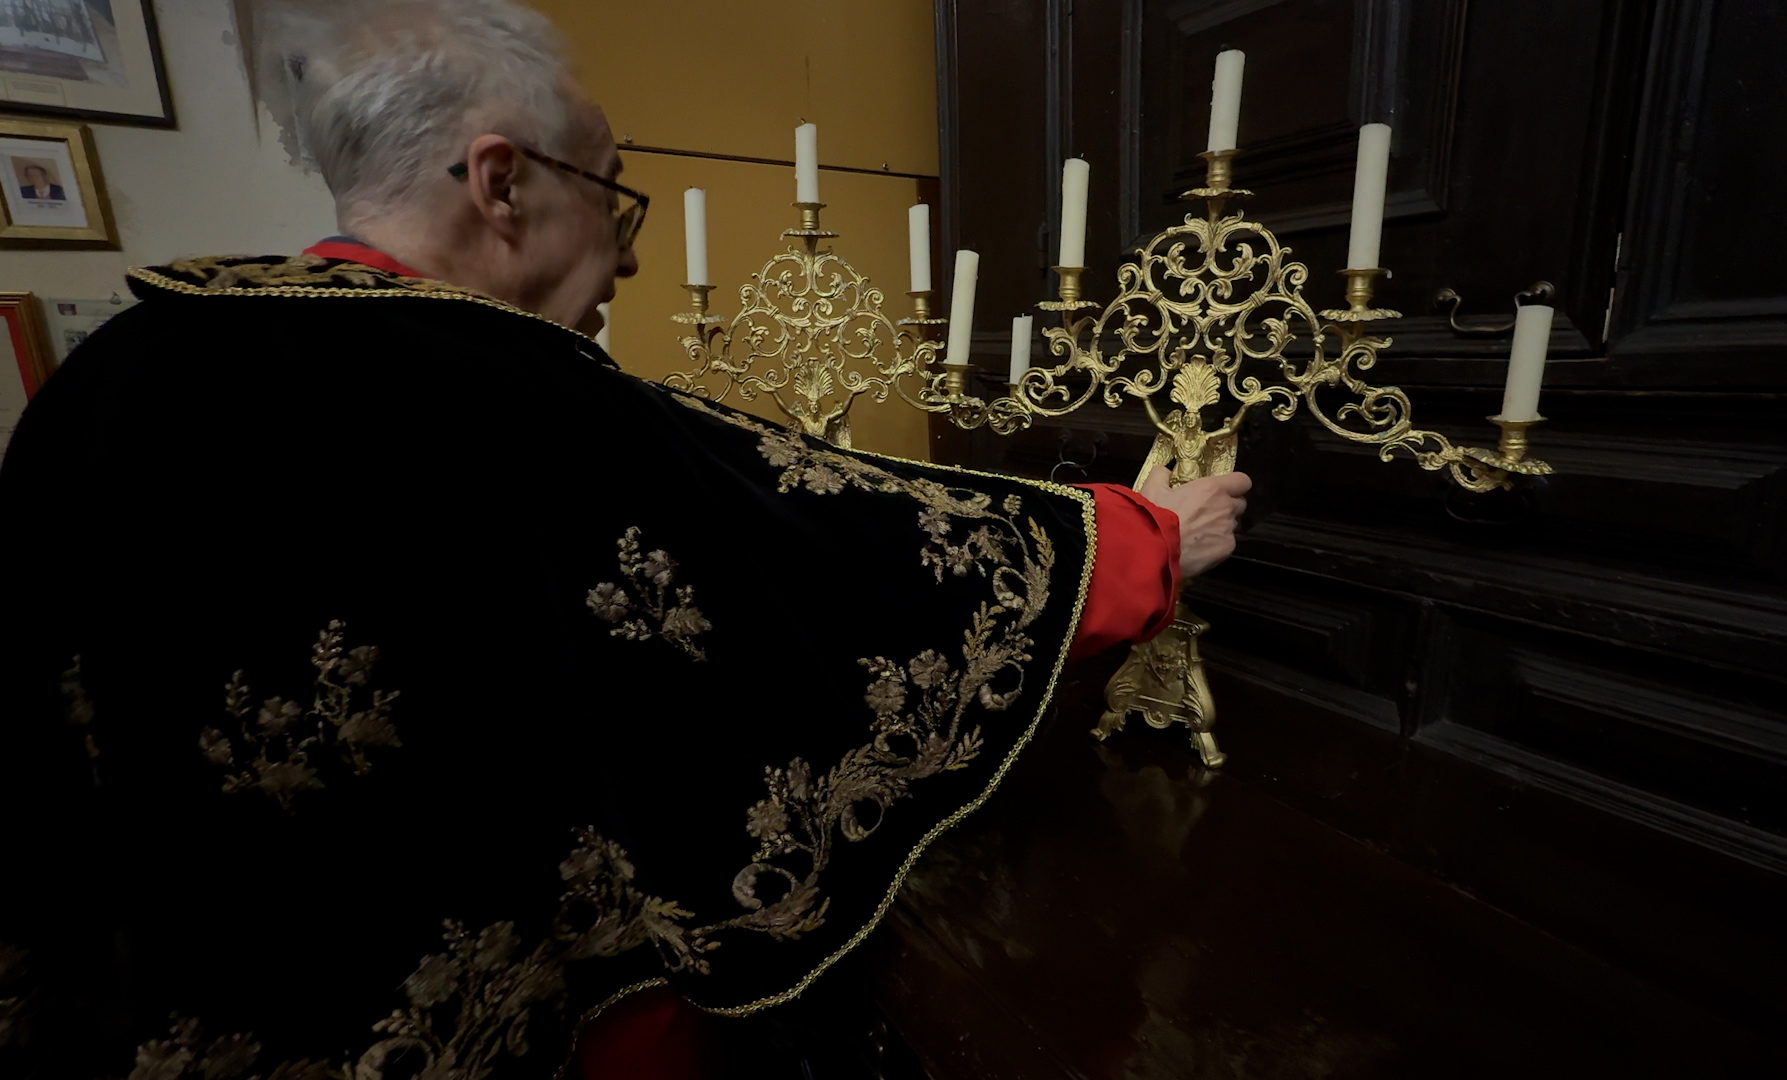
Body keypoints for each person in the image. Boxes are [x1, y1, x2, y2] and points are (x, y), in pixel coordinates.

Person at [0, 2, 1251, 1077]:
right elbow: (829, 544)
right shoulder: (516, 391)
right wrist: (1144, 540)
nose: (635, 256)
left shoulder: (107, 377)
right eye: (614, 194)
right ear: (501, 183)